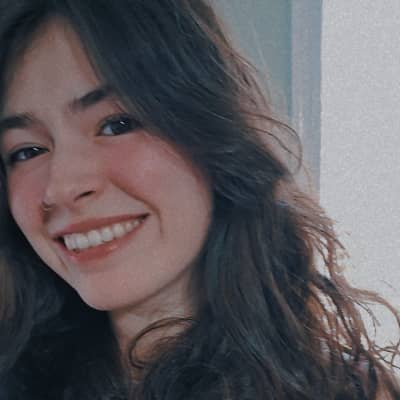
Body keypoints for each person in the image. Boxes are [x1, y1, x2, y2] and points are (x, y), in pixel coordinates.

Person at [0, 1, 399, 399]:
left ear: (209, 129)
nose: (60, 187)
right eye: (27, 151)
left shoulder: (347, 390)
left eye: (117, 124)